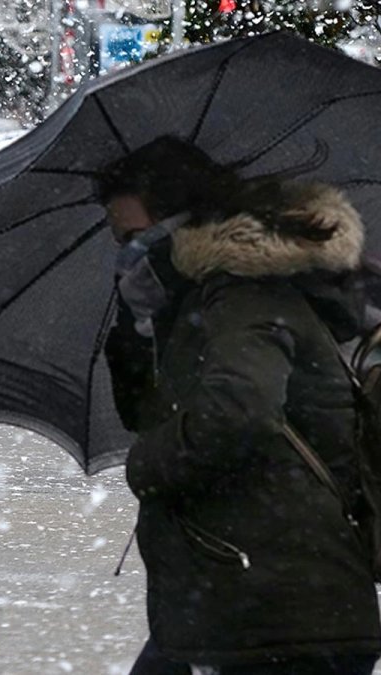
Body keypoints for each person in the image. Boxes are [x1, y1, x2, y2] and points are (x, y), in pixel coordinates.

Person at [99, 137, 381, 674]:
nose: (128, 253)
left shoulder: (242, 295)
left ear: (180, 222)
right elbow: (145, 411)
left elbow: (240, 409)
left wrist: (147, 465)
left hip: (278, 608)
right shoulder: (190, 304)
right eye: (120, 241)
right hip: (244, 599)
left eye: (136, 237)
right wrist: (135, 329)